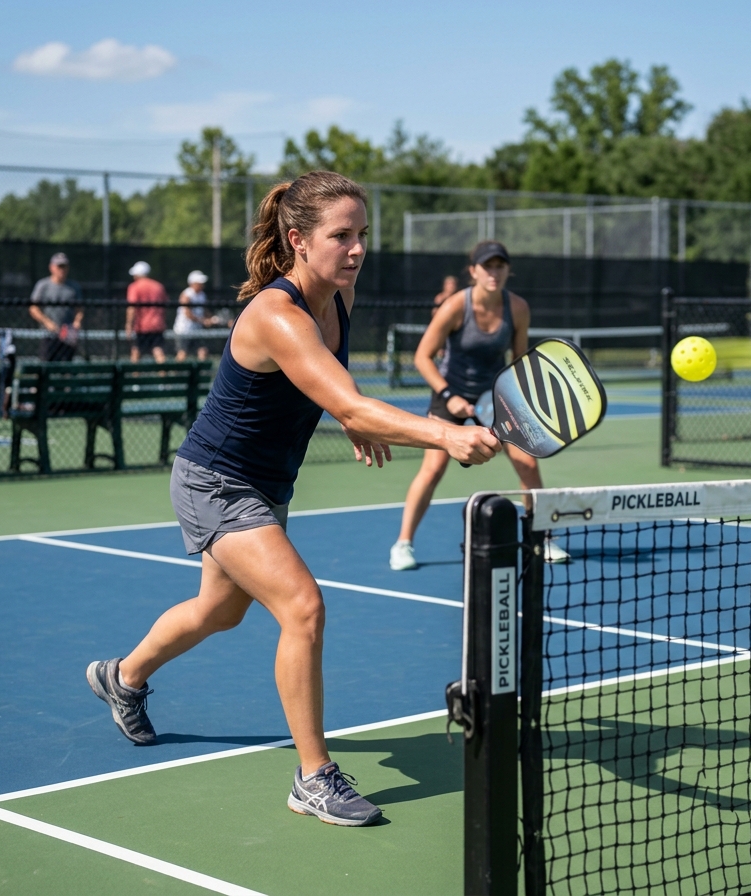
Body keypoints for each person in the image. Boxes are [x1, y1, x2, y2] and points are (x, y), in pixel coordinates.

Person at [85, 171, 498, 827]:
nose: (357, 249)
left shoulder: (339, 292)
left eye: (363, 234)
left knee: (218, 613)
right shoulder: (275, 314)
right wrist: (441, 432)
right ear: (299, 240)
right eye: (342, 236)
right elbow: (345, 397)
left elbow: (336, 383)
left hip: (265, 483)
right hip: (216, 481)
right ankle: (314, 779)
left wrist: (353, 419)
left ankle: (122, 676)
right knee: (302, 608)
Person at [388, 240, 568, 571]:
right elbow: (422, 356)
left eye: (500, 266)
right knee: (432, 470)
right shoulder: (456, 306)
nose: (494, 272)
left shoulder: (518, 308)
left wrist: (525, 401)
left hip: (496, 397)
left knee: (528, 464)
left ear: (507, 271)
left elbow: (519, 360)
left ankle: (541, 538)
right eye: (487, 266)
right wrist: (447, 396)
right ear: (473, 271)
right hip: (449, 393)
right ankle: (403, 543)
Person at [28, 253, 83, 361]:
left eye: (64, 266)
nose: (62, 270)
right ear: (51, 267)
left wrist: (77, 322)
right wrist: (47, 322)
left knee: (67, 368)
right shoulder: (43, 285)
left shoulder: (74, 287)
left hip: (68, 336)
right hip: (48, 335)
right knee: (47, 365)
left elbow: (79, 309)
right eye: (59, 266)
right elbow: (33, 308)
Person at [174, 270, 222, 361]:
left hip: (197, 330)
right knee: (182, 353)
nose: (202, 285)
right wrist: (203, 321)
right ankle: (176, 373)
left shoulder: (202, 295)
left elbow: (204, 311)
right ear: (192, 283)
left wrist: (211, 318)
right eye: (199, 283)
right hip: (184, 330)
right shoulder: (186, 295)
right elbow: (187, 314)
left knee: (203, 351)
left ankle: (201, 373)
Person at [126, 261, 167, 363]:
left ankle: (134, 376)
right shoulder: (159, 286)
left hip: (141, 326)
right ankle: (164, 376)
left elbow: (132, 307)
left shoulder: (134, 286)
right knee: (158, 350)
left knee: (136, 351)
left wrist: (128, 325)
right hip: (157, 324)